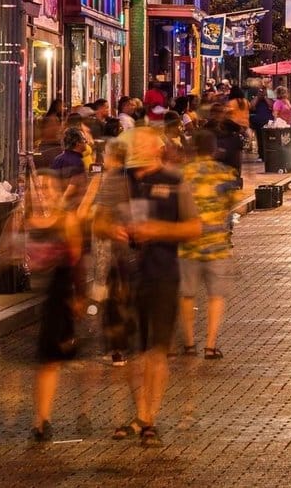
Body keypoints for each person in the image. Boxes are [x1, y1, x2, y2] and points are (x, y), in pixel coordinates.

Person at [95, 127, 200, 447]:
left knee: (157, 350)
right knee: (133, 351)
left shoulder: (174, 181)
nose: (139, 151)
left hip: (163, 275)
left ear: (159, 150)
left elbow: (194, 227)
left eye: (145, 146)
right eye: (134, 145)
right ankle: (140, 413)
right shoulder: (118, 180)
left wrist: (159, 230)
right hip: (126, 276)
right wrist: (113, 230)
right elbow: (96, 221)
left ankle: (149, 417)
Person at [26, 168, 83, 439]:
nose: (44, 193)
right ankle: (41, 417)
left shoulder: (67, 220)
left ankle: (42, 419)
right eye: (40, 187)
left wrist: (80, 296)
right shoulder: (30, 219)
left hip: (58, 294)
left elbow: (77, 260)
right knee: (47, 360)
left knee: (50, 359)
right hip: (35, 296)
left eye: (49, 187)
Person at [177, 130, 240, 361]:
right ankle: (211, 345)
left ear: (193, 148)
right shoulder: (226, 174)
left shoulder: (182, 174)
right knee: (216, 296)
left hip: (188, 243)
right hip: (217, 245)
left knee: (187, 294)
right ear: (214, 149)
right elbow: (232, 206)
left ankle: (189, 343)